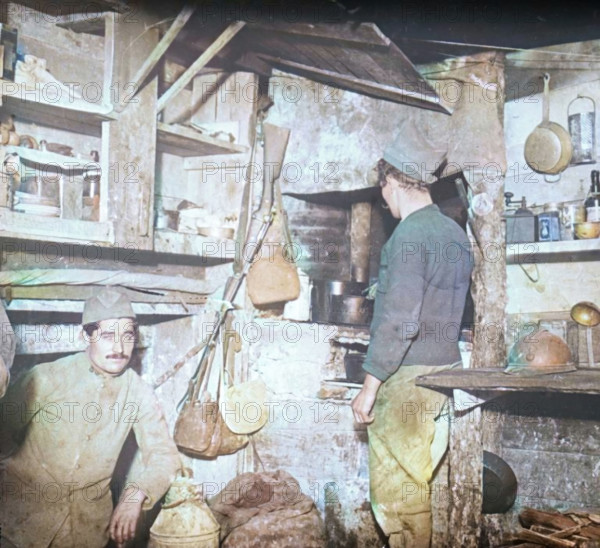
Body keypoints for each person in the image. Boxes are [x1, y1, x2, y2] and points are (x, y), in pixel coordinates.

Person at [351, 151, 473, 547]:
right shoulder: (455, 233)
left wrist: (370, 387)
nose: (383, 202)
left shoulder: (408, 235)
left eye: (381, 191)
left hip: (407, 380)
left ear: (392, 182)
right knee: (415, 486)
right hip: (445, 375)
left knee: (396, 497)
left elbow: (401, 322)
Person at [0, 287, 181, 547]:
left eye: (127, 335)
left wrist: (134, 495)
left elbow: (164, 456)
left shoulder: (138, 392)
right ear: (85, 336)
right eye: (108, 335)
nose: (119, 347)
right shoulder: (46, 377)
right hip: (21, 527)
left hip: (87, 532)